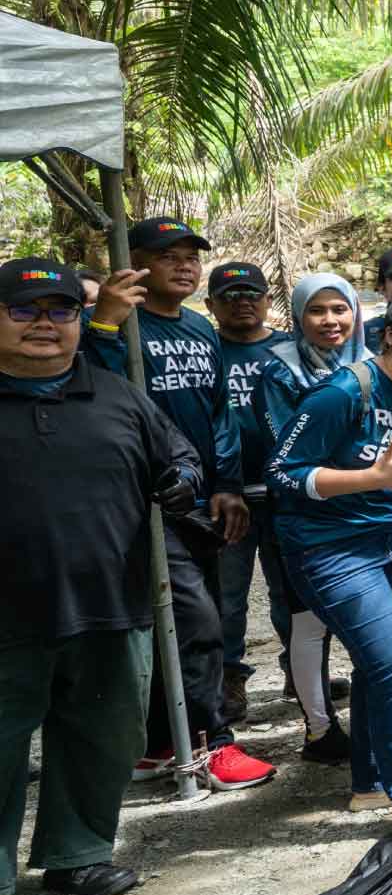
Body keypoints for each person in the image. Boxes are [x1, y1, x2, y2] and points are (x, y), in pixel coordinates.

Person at [0, 258, 203, 895]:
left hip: (110, 607)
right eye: (23, 311)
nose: (44, 324)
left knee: (103, 738)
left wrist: (182, 482)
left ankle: (78, 852)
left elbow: (180, 457)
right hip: (7, 620)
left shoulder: (117, 394)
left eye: (61, 310)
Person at [86, 218, 271, 790]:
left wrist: (227, 484)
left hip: (196, 498)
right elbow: (98, 389)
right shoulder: (117, 325)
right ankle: (211, 743)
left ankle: (166, 741)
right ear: (135, 260)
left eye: (192, 256)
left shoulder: (197, 327)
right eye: (169, 256)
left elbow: (219, 414)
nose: (185, 265)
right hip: (140, 498)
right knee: (195, 620)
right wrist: (105, 322)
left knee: (195, 612)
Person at [268, 289, 392, 828]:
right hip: (330, 550)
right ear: (390, 335)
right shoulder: (342, 393)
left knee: (380, 667)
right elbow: (282, 474)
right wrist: (369, 479)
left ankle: (372, 780)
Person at [257, 275, 368, 760]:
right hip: (306, 517)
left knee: (372, 623)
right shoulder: (278, 372)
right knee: (308, 625)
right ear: (299, 317)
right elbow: (286, 450)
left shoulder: (371, 364)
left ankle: (376, 717)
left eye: (340, 309)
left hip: (369, 516)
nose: (330, 321)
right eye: (317, 311)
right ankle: (319, 730)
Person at [208, 260, 283, 724]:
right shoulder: (204, 348)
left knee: (292, 592)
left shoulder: (289, 350)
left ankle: (300, 672)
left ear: (266, 299)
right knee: (227, 596)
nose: (242, 302)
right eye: (231, 295)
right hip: (226, 494)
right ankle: (229, 679)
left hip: (284, 493)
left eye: (251, 293)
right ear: (212, 304)